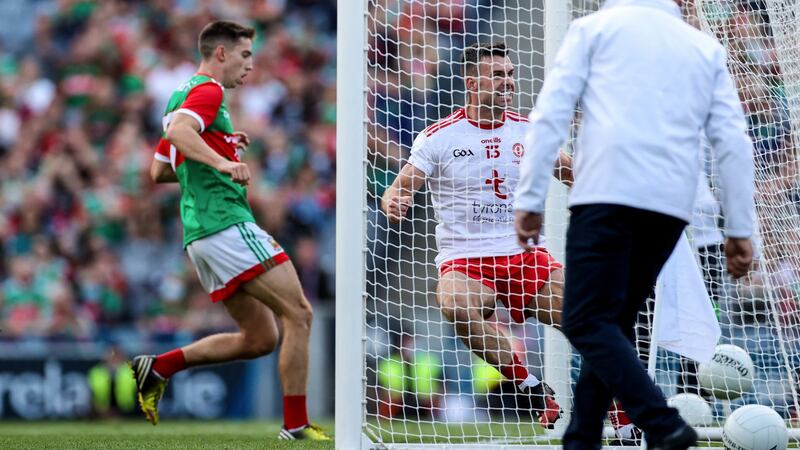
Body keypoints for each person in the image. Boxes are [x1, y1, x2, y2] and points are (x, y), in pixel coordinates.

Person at [513, 1, 755, 449]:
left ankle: (662, 423)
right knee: (614, 322)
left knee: (584, 322)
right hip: (670, 208)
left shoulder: (593, 30)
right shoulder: (702, 46)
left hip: (606, 194)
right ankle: (582, 439)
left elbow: (551, 114)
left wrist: (530, 197)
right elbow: (733, 140)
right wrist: (740, 228)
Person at [132, 21, 329, 441]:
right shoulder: (209, 91)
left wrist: (219, 148)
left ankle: (159, 367)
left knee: (260, 338)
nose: (251, 66)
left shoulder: (180, 94)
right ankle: (295, 426)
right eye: (245, 56)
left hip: (199, 235)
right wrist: (223, 162)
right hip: (224, 223)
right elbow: (178, 133)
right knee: (299, 313)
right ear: (220, 53)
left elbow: (160, 170)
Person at [381, 41, 573, 429]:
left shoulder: (530, 131)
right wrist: (394, 202)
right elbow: (400, 188)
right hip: (467, 259)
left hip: (525, 256)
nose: (508, 83)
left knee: (590, 323)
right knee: (453, 304)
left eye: (511, 75)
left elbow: (573, 173)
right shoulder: (439, 137)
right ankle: (530, 386)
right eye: (498, 75)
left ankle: (623, 418)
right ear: (472, 82)